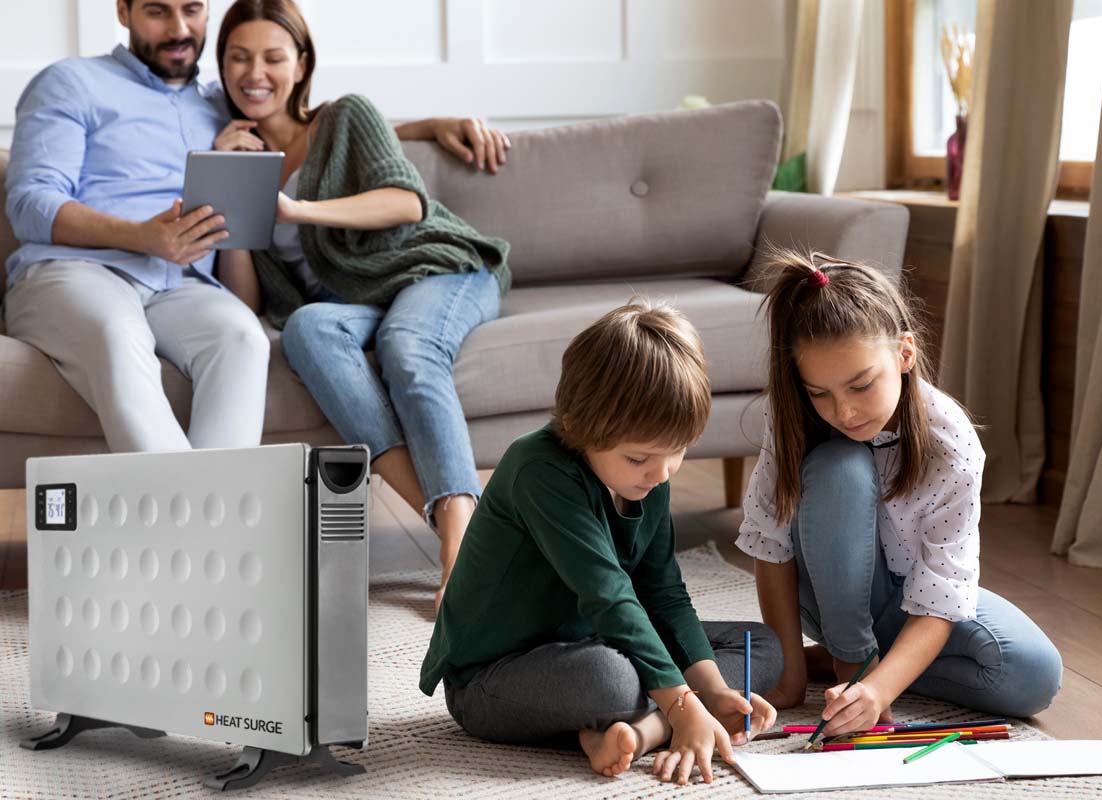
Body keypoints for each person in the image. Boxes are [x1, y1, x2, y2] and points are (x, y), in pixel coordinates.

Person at [2, 0, 508, 454]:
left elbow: (310, 127)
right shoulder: (70, 81)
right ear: (123, 11)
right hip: (76, 271)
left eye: (192, 9)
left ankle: (213, 532)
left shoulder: (224, 102)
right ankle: (198, 535)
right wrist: (142, 236)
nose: (179, 27)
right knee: (116, 332)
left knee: (244, 339)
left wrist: (431, 125)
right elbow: (29, 202)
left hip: (181, 285)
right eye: (157, 11)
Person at [212, 0, 509, 607]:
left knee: (407, 346)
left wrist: (297, 210)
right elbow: (246, 300)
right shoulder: (237, 153)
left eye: (273, 57)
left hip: (436, 269)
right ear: (221, 66)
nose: (255, 73)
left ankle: (457, 549)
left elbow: (406, 202)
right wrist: (227, 184)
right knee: (305, 327)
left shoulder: (345, 116)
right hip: (353, 303)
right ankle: (467, 532)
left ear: (301, 65)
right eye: (239, 57)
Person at [420, 300, 782, 785]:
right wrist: (680, 700)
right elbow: (609, 595)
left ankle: (647, 728)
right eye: (638, 458)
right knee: (609, 679)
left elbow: (663, 593)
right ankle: (662, 717)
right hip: (492, 676)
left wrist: (712, 691)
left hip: (591, 638)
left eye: (677, 451)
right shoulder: (538, 468)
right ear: (577, 427)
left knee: (760, 646)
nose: (661, 472)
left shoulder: (651, 475)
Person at [738, 250, 1062, 738]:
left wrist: (882, 689)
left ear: (904, 354)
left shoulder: (951, 442)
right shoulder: (790, 420)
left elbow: (943, 588)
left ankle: (871, 664)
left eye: (861, 385)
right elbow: (770, 546)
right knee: (838, 465)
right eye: (819, 393)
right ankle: (846, 659)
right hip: (826, 594)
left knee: (1034, 676)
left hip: (909, 601)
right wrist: (788, 675)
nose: (843, 412)